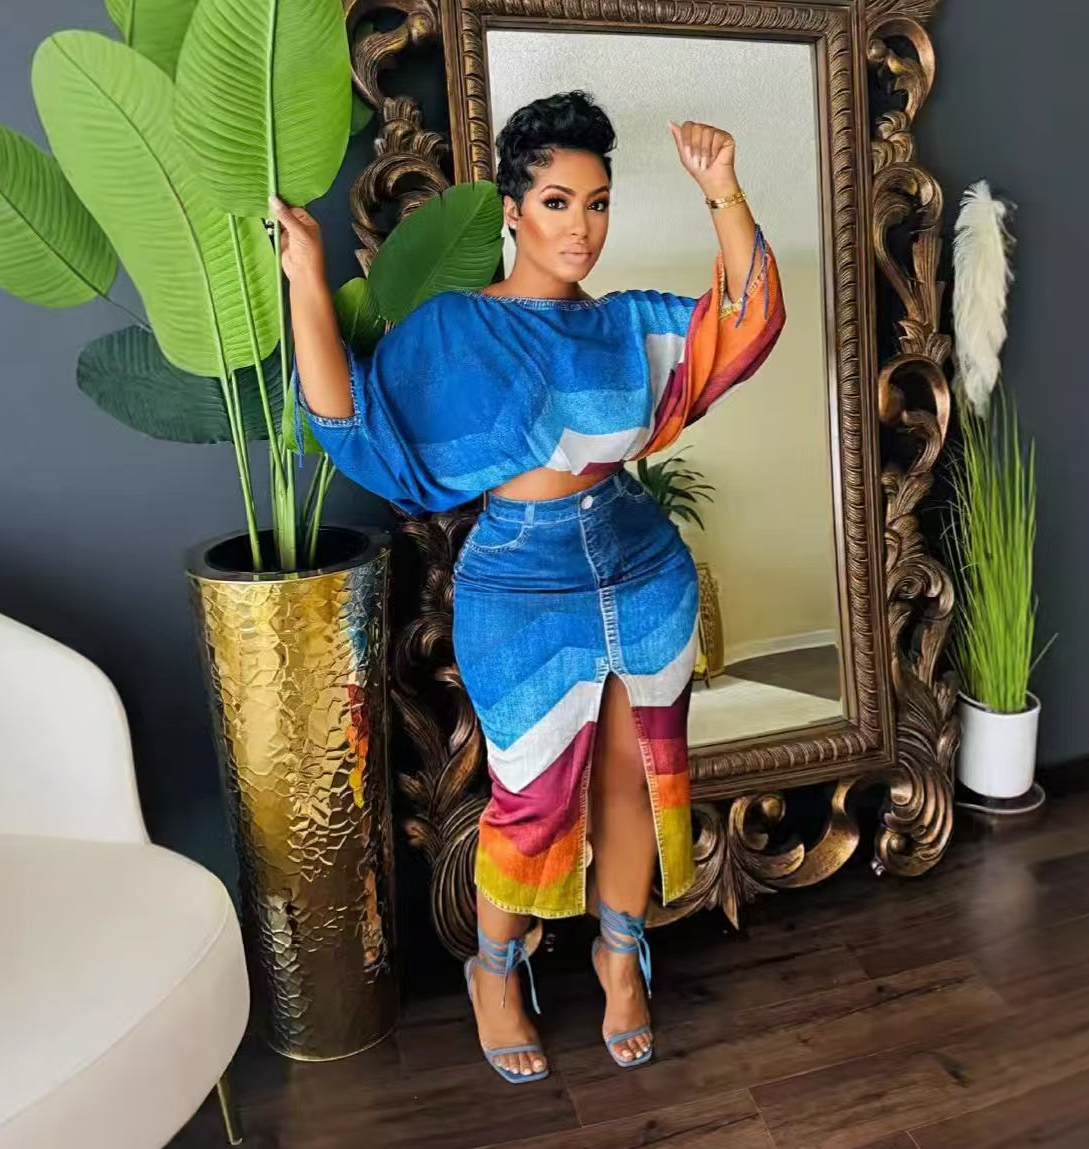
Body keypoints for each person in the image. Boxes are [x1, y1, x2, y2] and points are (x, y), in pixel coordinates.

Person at [274, 90, 785, 1084]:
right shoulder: (453, 329)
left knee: (636, 775)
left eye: (597, 204)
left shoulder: (627, 325)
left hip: (642, 563)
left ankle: (620, 955)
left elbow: (745, 321)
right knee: (532, 798)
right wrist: (306, 278)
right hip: (518, 577)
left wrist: (722, 189)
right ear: (512, 211)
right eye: (556, 203)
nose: (581, 228)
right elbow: (347, 419)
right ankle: (495, 970)